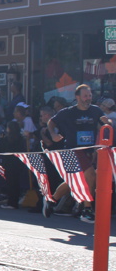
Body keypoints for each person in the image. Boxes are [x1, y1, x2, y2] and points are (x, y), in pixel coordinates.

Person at [43, 84, 109, 223]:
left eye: (90, 95)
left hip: (88, 151)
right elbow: (51, 122)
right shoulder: (68, 112)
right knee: (90, 174)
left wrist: (107, 122)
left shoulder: (95, 110)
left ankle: (51, 200)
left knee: (74, 182)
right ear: (77, 97)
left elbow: (105, 123)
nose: (88, 98)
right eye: (85, 96)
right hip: (72, 151)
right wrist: (53, 134)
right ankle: (87, 209)